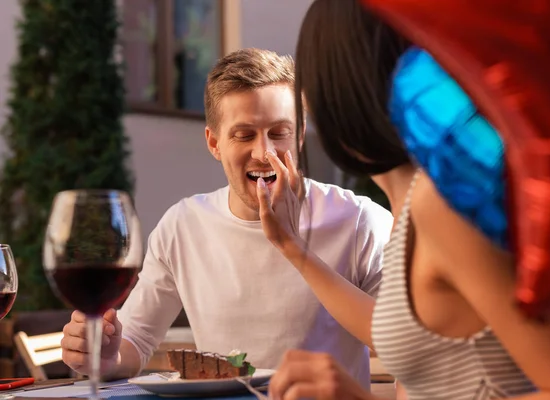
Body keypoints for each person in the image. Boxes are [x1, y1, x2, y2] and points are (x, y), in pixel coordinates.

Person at [255, 1, 550, 399]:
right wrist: (292, 248)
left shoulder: (441, 206)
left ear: (337, 87)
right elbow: (420, 340)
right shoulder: (412, 204)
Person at [59, 48, 394, 389]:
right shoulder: (182, 226)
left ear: (301, 134)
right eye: (244, 135)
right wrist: (105, 356)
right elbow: (136, 343)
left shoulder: (361, 221)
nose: (264, 152)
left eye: (279, 132)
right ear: (214, 143)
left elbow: (404, 344)